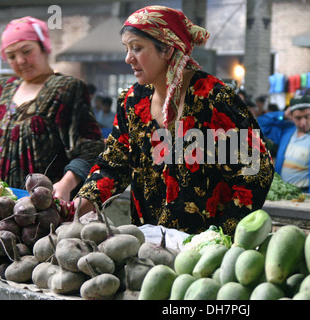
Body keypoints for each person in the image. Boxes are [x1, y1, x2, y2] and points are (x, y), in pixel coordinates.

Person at [74, 6, 274, 235]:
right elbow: (113, 166)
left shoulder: (214, 100)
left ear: (168, 49)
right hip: (148, 245)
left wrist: (224, 236)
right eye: (127, 48)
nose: (128, 58)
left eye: (137, 48)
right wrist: (78, 207)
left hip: (203, 253)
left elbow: (255, 172)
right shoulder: (132, 102)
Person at [0, 16, 104, 202]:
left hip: (42, 204)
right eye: (11, 56)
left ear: (44, 47)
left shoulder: (67, 88)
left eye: (26, 51)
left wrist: (66, 184)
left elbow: (91, 148)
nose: (20, 61)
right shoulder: (4, 88)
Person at [257, 95, 310, 195]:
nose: (303, 122)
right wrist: (282, 115)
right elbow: (260, 123)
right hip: (282, 193)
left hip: (306, 195)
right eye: (298, 118)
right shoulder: (286, 133)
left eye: (307, 116)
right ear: (291, 116)